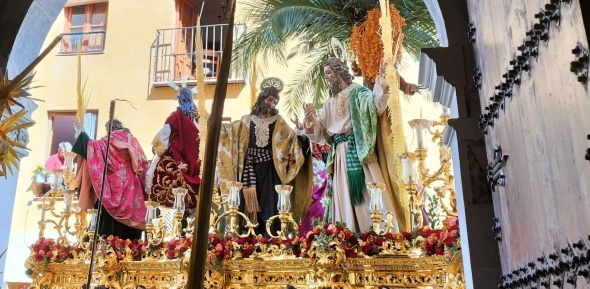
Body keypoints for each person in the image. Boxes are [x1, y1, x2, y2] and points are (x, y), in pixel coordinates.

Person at [303, 57, 401, 233]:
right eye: (325, 74)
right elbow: (320, 136)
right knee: (344, 197)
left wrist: (381, 80)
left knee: (368, 192)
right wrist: (310, 120)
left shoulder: (358, 92)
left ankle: (377, 234)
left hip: (359, 150)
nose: (327, 78)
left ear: (339, 71)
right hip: (339, 156)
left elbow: (376, 105)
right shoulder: (328, 103)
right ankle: (347, 235)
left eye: (329, 73)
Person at [218, 79, 312, 236]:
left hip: (270, 170)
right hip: (249, 169)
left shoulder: (279, 122)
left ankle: (270, 238)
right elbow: (228, 134)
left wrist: (301, 132)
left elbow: (292, 141)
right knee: (248, 206)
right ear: (262, 99)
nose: (272, 104)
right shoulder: (246, 121)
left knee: (270, 205)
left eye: (275, 101)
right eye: (269, 100)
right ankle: (250, 238)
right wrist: (210, 120)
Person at [72, 118, 149, 239]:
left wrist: (81, 132)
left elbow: (91, 149)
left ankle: (107, 249)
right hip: (132, 186)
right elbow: (143, 164)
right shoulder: (133, 140)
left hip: (113, 185)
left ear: (109, 129)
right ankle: (132, 250)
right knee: (130, 218)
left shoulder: (109, 140)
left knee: (106, 220)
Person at [146, 81, 201, 210]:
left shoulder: (175, 116)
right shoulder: (196, 117)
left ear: (179, 99)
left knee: (150, 175)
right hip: (195, 160)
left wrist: (156, 148)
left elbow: (165, 134)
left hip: (175, 155)